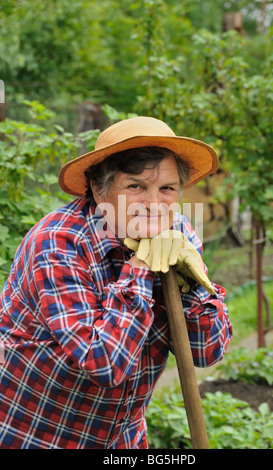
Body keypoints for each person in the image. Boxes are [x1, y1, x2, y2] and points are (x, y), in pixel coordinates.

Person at [0, 116, 232, 449]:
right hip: (35, 434)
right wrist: (140, 267)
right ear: (99, 189)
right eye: (135, 186)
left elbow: (207, 351)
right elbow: (104, 364)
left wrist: (192, 286)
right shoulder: (58, 244)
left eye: (167, 188)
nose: (154, 204)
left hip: (120, 438)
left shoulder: (176, 234)